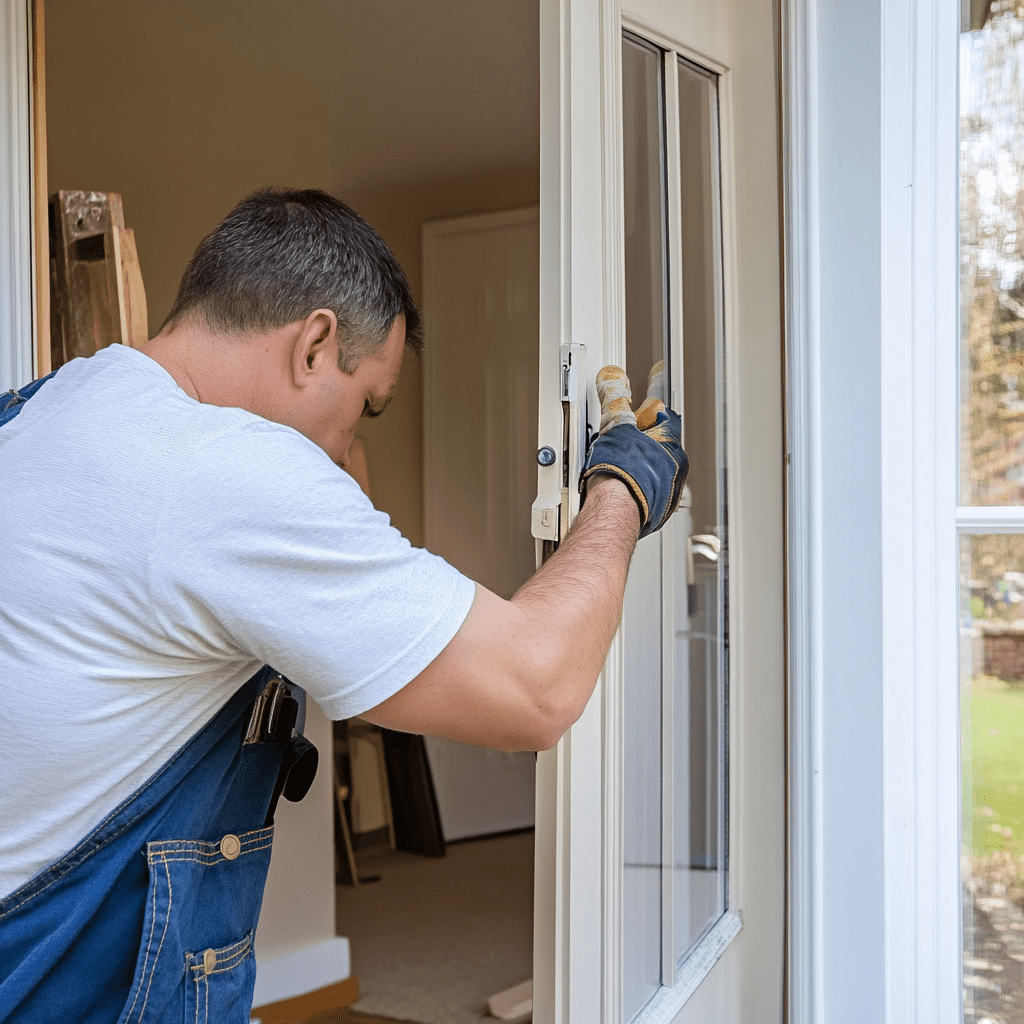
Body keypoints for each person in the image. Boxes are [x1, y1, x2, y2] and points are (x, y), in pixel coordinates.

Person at [0, 188, 686, 1023]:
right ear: (316, 342)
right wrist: (622, 487)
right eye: (365, 405)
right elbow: (536, 688)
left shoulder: (50, 407)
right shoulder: (221, 473)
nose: (350, 447)